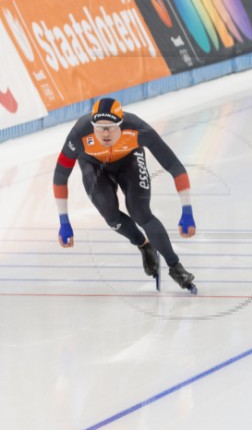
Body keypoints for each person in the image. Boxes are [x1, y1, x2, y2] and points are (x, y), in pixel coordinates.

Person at [53, 97, 198, 293]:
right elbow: (60, 177)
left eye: (111, 128)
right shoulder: (79, 133)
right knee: (109, 212)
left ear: (121, 125)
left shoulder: (138, 128)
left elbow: (175, 166)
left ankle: (176, 267)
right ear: (92, 125)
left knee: (140, 212)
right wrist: (64, 222)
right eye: (99, 128)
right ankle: (143, 244)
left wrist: (187, 210)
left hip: (128, 159)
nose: (105, 133)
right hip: (93, 164)